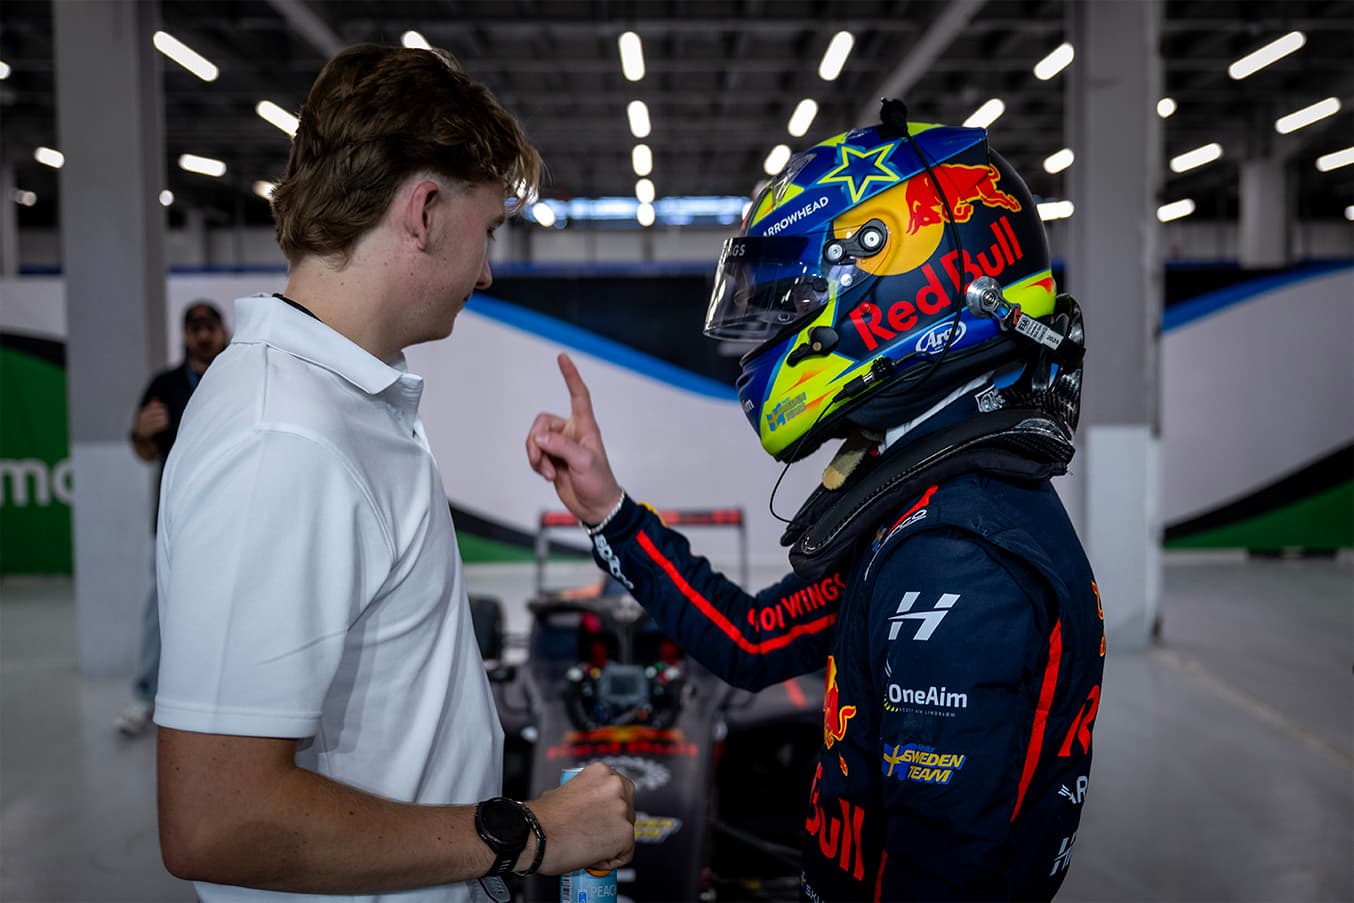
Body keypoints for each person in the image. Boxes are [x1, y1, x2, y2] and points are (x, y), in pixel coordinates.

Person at [527, 103, 1106, 901]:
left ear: (894, 279)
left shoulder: (957, 558)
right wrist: (608, 510)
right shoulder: (920, 510)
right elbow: (752, 638)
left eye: (791, 298)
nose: (775, 326)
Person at [153, 44, 634, 902]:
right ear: (422, 211)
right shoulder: (287, 437)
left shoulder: (340, 401)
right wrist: (530, 832)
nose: (486, 270)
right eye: (484, 230)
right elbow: (216, 818)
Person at [114, 300, 229, 736]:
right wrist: (141, 435)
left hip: (234, 517)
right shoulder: (163, 385)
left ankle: (224, 699)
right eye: (194, 326)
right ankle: (146, 696)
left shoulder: (241, 376)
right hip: (174, 519)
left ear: (223, 330)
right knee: (160, 611)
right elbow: (144, 451)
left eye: (209, 325)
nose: (202, 334)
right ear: (184, 334)